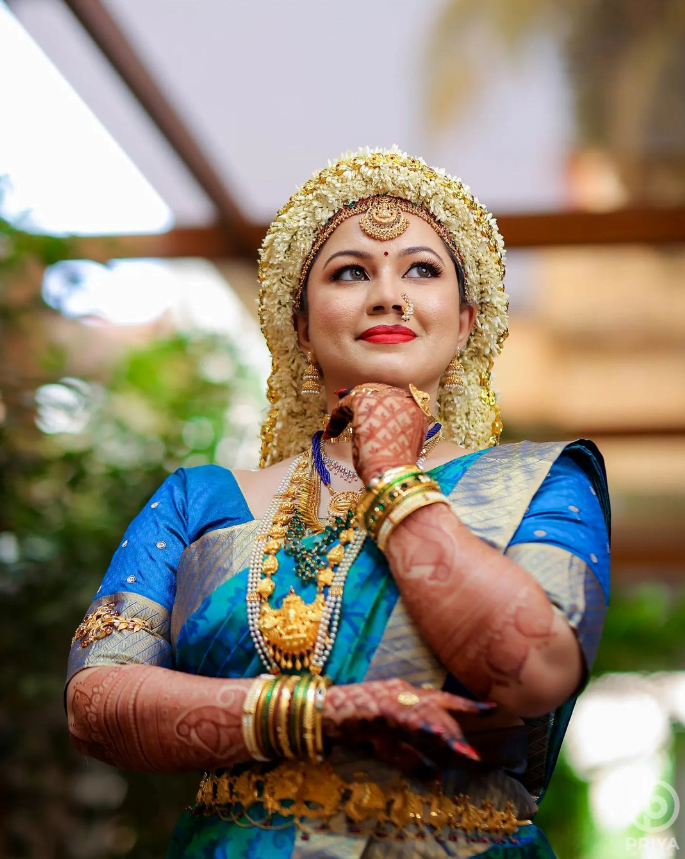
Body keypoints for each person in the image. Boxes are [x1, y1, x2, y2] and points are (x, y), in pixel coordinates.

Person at [65, 147, 610, 858]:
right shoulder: (198, 501)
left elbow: (534, 671)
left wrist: (392, 480)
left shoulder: (535, 484)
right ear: (299, 325)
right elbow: (95, 702)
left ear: (468, 318)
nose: (388, 294)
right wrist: (319, 711)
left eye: (421, 268)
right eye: (350, 271)